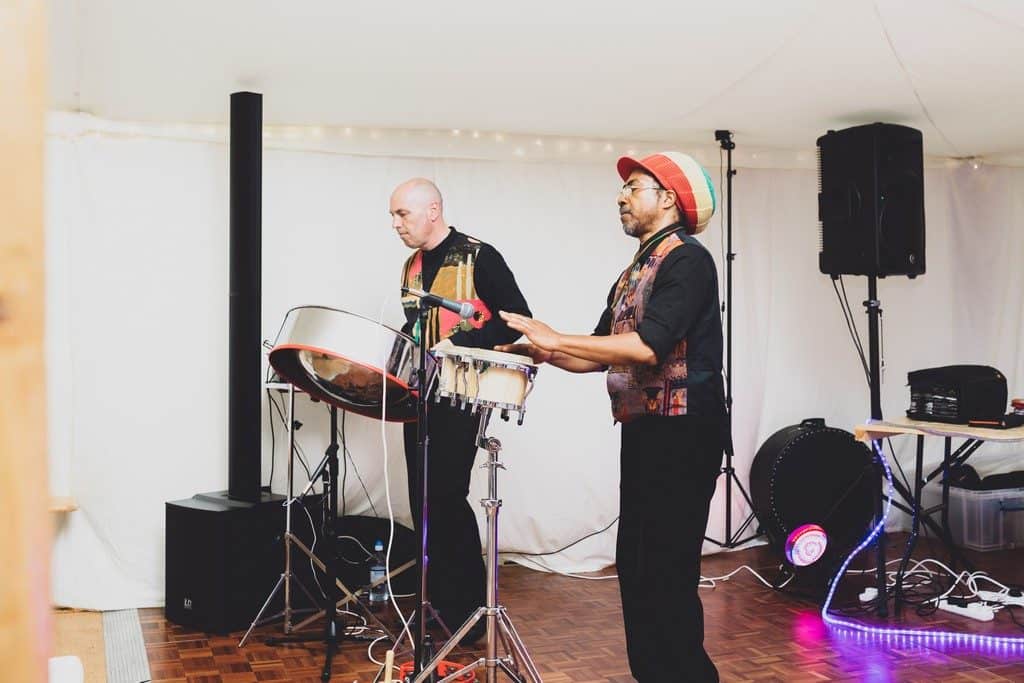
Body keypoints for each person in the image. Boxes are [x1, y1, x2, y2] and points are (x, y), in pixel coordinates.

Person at [498, 153, 726, 682]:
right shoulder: (632, 272)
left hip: (685, 431)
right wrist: (544, 351)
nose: (621, 197)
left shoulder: (688, 260)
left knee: (667, 572)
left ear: (668, 198)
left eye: (633, 187)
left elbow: (648, 346)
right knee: (638, 567)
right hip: (646, 430)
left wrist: (557, 335)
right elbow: (600, 350)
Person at [389, 177, 531, 642]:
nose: (395, 224)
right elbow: (417, 328)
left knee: (448, 497)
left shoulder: (479, 256)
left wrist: (464, 340)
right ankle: (436, 602)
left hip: (461, 395)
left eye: (402, 214)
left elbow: (517, 319)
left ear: (433, 209)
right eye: (393, 216)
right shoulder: (410, 267)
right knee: (421, 502)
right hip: (420, 397)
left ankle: (466, 611)